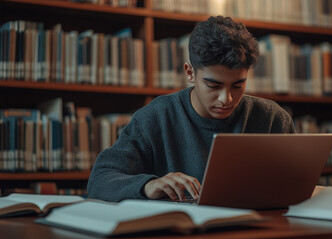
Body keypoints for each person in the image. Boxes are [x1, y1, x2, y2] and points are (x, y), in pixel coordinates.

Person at [87, 16, 296, 202]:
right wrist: (146, 185)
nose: (227, 99)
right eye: (213, 85)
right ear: (190, 73)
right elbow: (100, 179)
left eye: (238, 85)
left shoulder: (273, 118)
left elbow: (296, 184)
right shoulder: (155, 117)